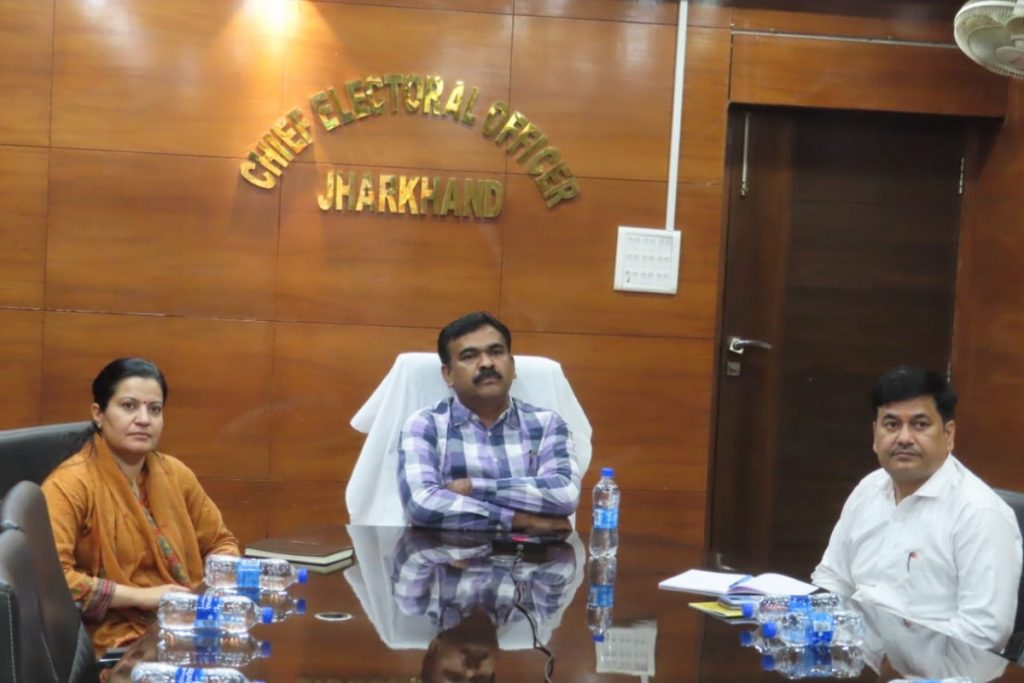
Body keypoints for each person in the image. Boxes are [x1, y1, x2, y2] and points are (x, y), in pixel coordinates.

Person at [811, 366, 1022, 650]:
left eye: (920, 425)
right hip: (855, 656)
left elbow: (984, 634)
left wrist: (890, 650)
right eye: (891, 425)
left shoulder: (980, 513)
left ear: (948, 434)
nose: (904, 438)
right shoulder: (869, 489)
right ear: (875, 435)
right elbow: (834, 580)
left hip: (936, 666)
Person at [42, 358, 240, 655]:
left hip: (189, 621)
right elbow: (54, 580)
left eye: (155, 409)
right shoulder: (69, 485)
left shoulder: (175, 474)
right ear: (98, 414)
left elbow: (221, 543)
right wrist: (143, 597)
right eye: (129, 406)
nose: (144, 419)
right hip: (118, 639)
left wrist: (212, 591)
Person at [398, 311, 581, 533]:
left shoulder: (547, 424)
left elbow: (565, 494)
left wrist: (471, 487)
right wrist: (519, 520)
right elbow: (420, 505)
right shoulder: (426, 424)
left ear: (512, 366)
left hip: (531, 554)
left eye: (496, 352)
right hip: (447, 553)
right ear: (448, 375)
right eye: (469, 356)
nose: (486, 363)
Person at [390, 528, 581, 682]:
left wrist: (519, 550)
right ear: (496, 663)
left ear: (434, 648)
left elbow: (415, 548)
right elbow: (562, 563)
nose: (471, 670)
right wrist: (469, 560)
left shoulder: (415, 601)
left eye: (454, 675)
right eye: (479, 679)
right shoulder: (534, 610)